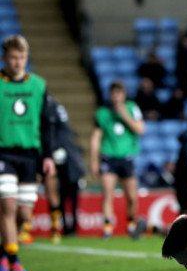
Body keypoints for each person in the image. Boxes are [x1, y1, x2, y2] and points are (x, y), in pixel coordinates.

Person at [0, 35, 56, 271]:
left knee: (24, 214)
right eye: (13, 57)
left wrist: (49, 156)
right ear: (5, 58)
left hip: (30, 154)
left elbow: (47, 123)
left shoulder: (38, 85)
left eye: (21, 57)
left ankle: (4, 253)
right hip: (4, 152)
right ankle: (14, 262)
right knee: (8, 205)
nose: (17, 62)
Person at [90, 80, 146, 239]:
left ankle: (131, 225)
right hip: (109, 157)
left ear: (124, 94)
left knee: (132, 197)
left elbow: (140, 129)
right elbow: (96, 137)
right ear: (110, 94)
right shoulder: (102, 113)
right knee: (108, 192)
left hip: (127, 158)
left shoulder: (132, 108)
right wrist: (94, 161)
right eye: (114, 93)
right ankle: (107, 227)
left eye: (119, 93)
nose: (116, 97)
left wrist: (124, 115)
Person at [45, 96, 86, 238]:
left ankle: (60, 228)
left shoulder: (50, 106)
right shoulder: (55, 106)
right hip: (60, 154)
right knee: (54, 190)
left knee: (56, 190)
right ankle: (59, 227)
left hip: (59, 154)